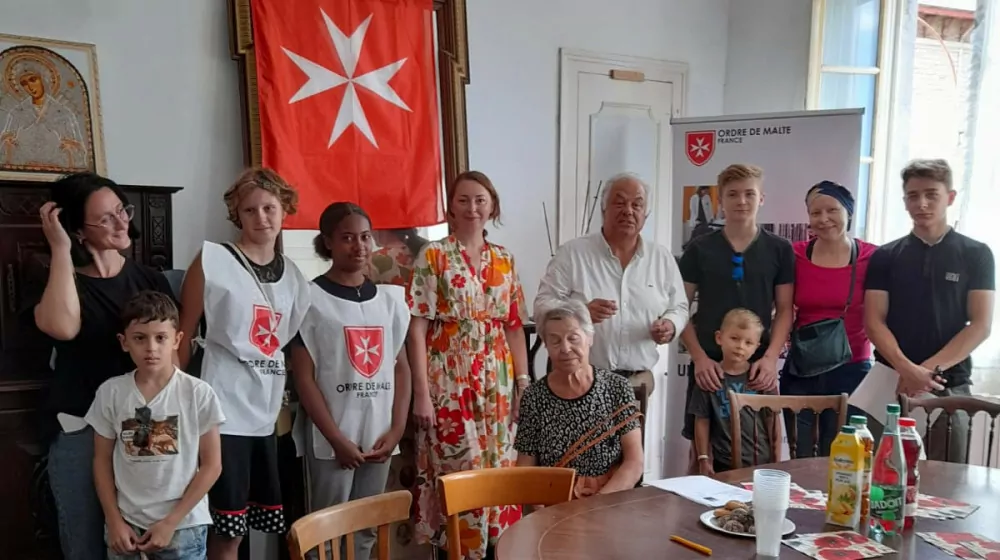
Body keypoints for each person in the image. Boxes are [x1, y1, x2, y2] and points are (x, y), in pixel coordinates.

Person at [34, 172, 175, 560]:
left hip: (144, 422)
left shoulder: (150, 280)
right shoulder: (58, 279)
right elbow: (63, 327)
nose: (121, 222)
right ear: (78, 230)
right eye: (105, 218)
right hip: (81, 427)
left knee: (143, 544)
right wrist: (60, 249)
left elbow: (171, 363)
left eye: (121, 210)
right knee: (84, 545)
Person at [177, 168, 311, 560]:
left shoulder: (295, 278)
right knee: (226, 530)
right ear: (237, 215)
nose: (261, 217)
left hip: (266, 410)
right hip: (221, 406)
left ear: (284, 210)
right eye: (250, 210)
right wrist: (175, 403)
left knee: (254, 524)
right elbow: (182, 334)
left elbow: (284, 345)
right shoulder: (213, 260)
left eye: (269, 208)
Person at [407, 171, 529, 560]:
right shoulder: (434, 255)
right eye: (463, 200)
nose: (472, 208)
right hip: (449, 382)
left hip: (498, 385)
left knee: (498, 469)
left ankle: (496, 551)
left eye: (480, 200)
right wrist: (421, 394)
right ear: (451, 207)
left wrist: (523, 385)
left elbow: (514, 327)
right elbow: (416, 328)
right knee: (457, 469)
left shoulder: (504, 259)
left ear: (492, 206)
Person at [289, 202, 411, 560]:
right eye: (347, 238)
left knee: (366, 530)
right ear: (328, 242)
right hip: (332, 438)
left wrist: (397, 429)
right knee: (324, 533)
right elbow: (304, 377)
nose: (359, 246)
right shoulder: (310, 299)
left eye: (365, 237)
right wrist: (337, 439)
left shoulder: (390, 302)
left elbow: (401, 368)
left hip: (379, 435)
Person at [864, 159, 995, 461]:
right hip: (889, 382)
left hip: (949, 385)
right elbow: (873, 321)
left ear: (950, 197)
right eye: (913, 195)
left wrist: (925, 372)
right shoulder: (885, 256)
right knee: (878, 474)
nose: (921, 203)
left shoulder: (976, 254)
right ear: (904, 201)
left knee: (948, 478)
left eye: (931, 195)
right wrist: (907, 369)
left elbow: (980, 325)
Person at [87, 291, 224, 560]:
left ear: (177, 340)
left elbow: (212, 465)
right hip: (126, 525)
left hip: (183, 527)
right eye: (140, 338)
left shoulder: (198, 393)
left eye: (161, 338)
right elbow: (101, 460)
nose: (151, 348)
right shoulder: (111, 393)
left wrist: (171, 522)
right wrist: (113, 520)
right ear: (124, 342)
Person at [535, 172, 688, 411]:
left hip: (636, 383)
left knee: (632, 439)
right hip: (579, 379)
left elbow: (679, 306)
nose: (628, 210)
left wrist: (670, 324)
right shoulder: (573, 254)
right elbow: (542, 305)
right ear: (603, 209)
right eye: (620, 202)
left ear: (645, 215)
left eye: (637, 205)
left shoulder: (661, 258)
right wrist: (579, 313)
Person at [678, 163, 794, 472]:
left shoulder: (780, 249)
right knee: (701, 456)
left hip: (757, 369)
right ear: (721, 200)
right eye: (732, 194)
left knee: (762, 450)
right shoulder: (699, 248)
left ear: (761, 198)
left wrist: (770, 359)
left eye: (749, 194)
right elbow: (679, 308)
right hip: (709, 367)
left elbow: (785, 309)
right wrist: (699, 359)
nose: (741, 201)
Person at [781, 182, 879, 457]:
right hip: (802, 369)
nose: (823, 219)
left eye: (832, 210)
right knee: (801, 456)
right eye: (815, 213)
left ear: (849, 212)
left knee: (846, 456)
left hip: (853, 369)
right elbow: (783, 308)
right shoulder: (795, 254)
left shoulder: (873, 257)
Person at [515, 299, 643, 495]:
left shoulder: (617, 387)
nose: (565, 348)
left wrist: (598, 504)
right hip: (554, 500)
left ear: (589, 337)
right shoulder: (534, 396)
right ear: (546, 345)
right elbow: (525, 468)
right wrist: (541, 509)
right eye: (555, 340)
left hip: (609, 499)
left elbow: (634, 462)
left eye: (573, 338)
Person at [689, 309, 779, 474]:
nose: (740, 346)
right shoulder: (709, 378)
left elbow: (773, 422)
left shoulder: (761, 379)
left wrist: (777, 461)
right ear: (719, 338)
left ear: (756, 347)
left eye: (748, 343)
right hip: (722, 466)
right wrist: (703, 458)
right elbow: (702, 420)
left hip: (761, 464)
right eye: (734, 338)